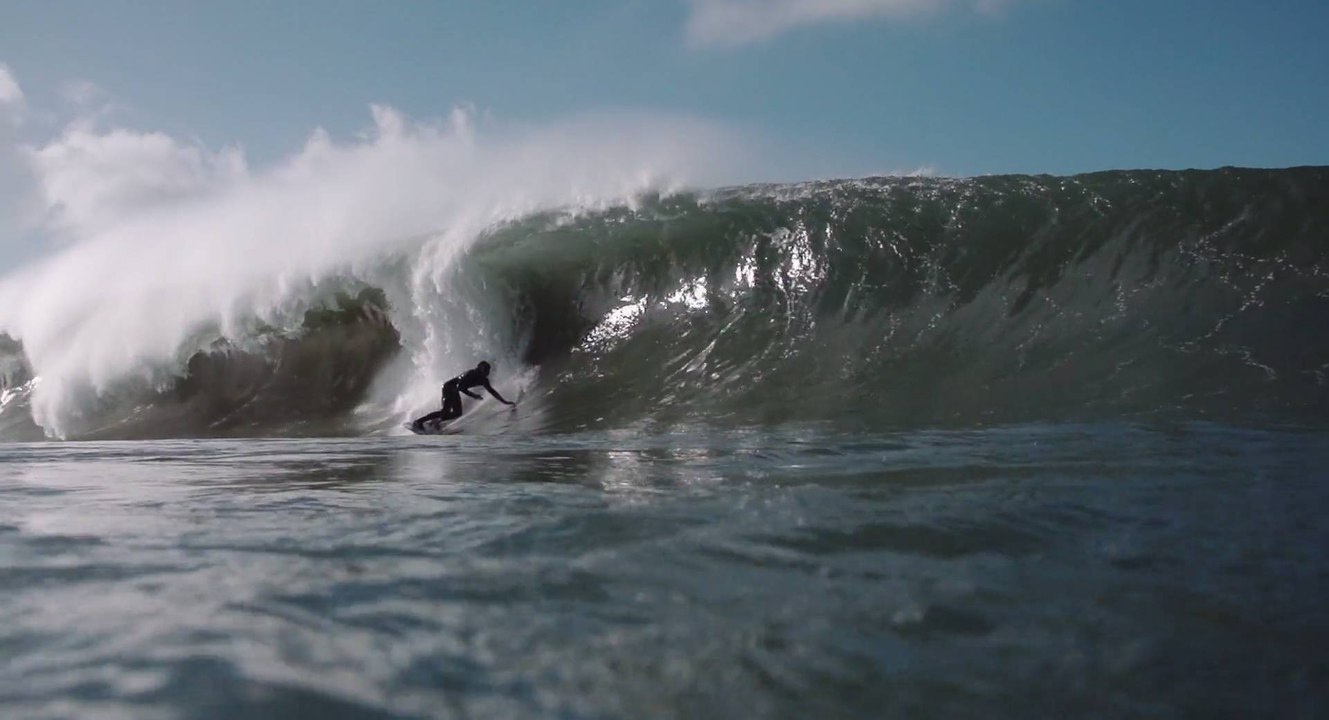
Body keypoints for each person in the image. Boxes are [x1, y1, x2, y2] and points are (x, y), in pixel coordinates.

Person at [411, 361, 514, 431]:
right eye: (485, 370)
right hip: (448, 387)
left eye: (488, 370)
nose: (487, 373)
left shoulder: (484, 380)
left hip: (455, 390)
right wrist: (474, 395)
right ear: (479, 369)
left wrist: (504, 402)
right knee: (445, 411)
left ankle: (434, 423)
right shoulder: (470, 374)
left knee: (457, 414)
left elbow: (492, 391)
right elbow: (460, 387)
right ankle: (418, 422)